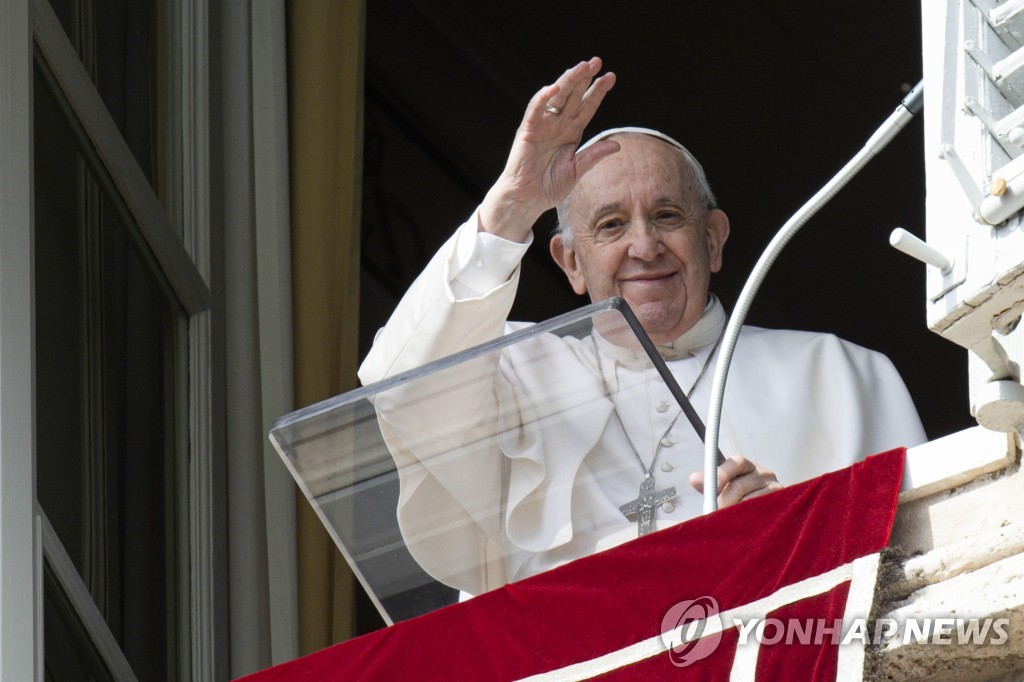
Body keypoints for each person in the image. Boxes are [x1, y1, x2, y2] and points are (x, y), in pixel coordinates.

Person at [358, 57, 926, 596]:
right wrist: (510, 208)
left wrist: (792, 544)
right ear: (571, 264)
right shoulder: (518, 377)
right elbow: (401, 385)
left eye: (666, 215)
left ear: (713, 239)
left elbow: (925, 572)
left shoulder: (841, 374)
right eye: (610, 225)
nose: (644, 246)